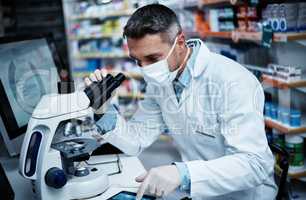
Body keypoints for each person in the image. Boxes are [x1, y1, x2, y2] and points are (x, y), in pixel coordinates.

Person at [84, 4, 277, 200]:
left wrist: (183, 173)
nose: (145, 69)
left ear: (180, 42)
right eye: (137, 61)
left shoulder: (232, 81)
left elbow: (255, 164)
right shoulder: (160, 82)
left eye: (153, 58)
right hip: (202, 192)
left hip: (245, 195)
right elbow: (138, 138)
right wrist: (103, 109)